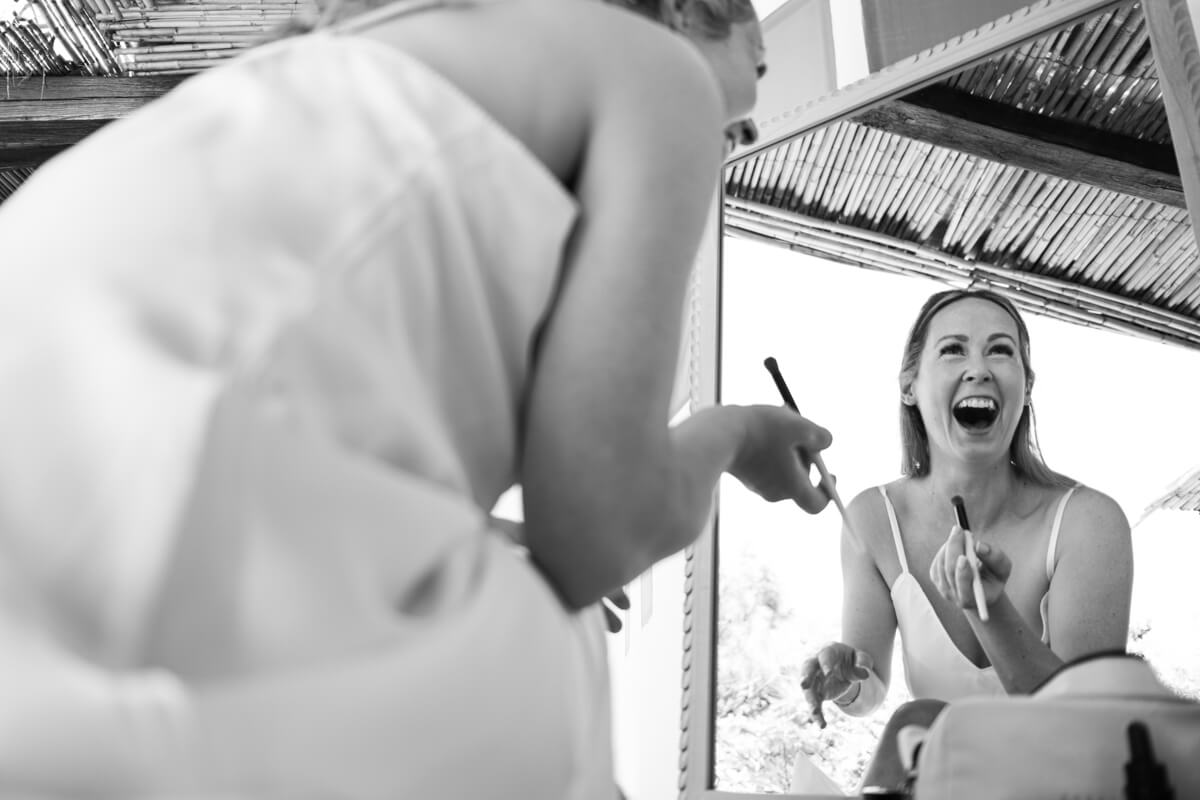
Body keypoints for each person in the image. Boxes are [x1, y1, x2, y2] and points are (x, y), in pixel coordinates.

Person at [0, 0, 835, 796]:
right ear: (685, 10)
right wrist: (735, 436)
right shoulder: (660, 75)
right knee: (551, 663)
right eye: (759, 65)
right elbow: (597, 536)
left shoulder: (372, 44)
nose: (745, 128)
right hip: (178, 520)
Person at [796, 288, 1133, 791]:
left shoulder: (1091, 523)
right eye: (953, 350)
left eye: (1000, 350)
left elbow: (1083, 727)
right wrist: (844, 683)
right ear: (909, 386)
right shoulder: (871, 519)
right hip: (940, 783)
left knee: (921, 718)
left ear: (1026, 385)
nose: (978, 369)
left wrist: (988, 610)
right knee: (917, 720)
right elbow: (869, 689)